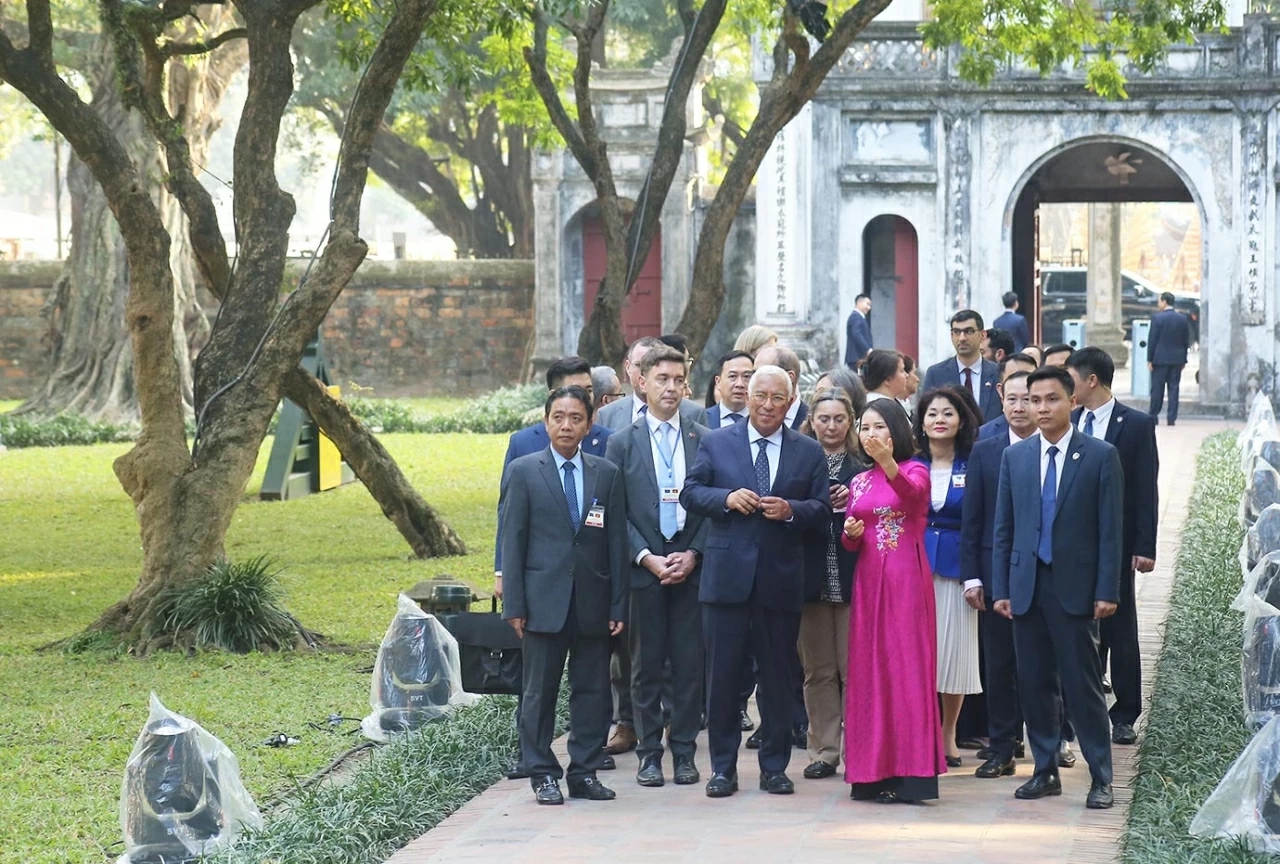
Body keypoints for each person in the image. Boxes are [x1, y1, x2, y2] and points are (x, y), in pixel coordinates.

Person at [681, 365, 829, 798]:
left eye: (777, 398)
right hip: (726, 580)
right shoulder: (716, 442)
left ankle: (774, 767)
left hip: (781, 581)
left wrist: (793, 511)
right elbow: (691, 493)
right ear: (746, 397)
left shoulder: (807, 450)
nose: (767, 405)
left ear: (789, 401)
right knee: (723, 679)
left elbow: (822, 510)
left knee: (779, 679)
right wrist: (725, 498)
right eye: (759, 395)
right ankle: (722, 769)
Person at [992, 366, 1122, 810]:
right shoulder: (1017, 457)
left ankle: (1101, 776)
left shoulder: (1101, 456)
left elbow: (1111, 532)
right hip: (1027, 586)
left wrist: (1107, 590)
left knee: (1082, 686)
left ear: (1072, 401)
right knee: (1034, 683)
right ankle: (1044, 769)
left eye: (1052, 399)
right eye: (1034, 400)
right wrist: (1002, 588)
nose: (1041, 408)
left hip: (1076, 590)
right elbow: (1004, 528)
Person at [501, 385, 629, 805]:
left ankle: (584, 771)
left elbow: (616, 544)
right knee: (539, 691)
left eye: (576, 418)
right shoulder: (524, 470)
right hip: (542, 602)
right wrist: (514, 605)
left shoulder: (605, 473)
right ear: (546, 421)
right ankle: (541, 772)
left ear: (589, 424)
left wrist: (617, 604)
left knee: (592, 690)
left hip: (593, 602)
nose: (566, 425)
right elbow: (512, 541)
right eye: (559, 417)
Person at [595, 337, 706, 755]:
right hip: (644, 568)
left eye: (679, 379)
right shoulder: (622, 441)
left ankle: (683, 752)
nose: (671, 388)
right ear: (642, 382)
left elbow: (712, 506)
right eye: (662, 379)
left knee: (688, 666)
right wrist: (646, 557)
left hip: (689, 566)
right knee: (642, 667)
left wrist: (693, 554)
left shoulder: (703, 437)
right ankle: (649, 754)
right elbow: (613, 512)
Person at [841, 399, 946, 803]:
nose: (871, 435)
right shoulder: (859, 481)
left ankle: (911, 774)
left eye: (879, 427)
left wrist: (888, 463)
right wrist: (850, 532)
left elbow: (914, 497)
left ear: (897, 431)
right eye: (865, 428)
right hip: (869, 584)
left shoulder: (916, 469)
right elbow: (852, 541)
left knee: (906, 669)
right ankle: (871, 772)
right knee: (870, 671)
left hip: (905, 581)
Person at [1066, 347, 1159, 747]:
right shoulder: (1068, 422)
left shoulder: (1136, 424)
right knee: (1079, 626)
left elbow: (1145, 489)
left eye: (1069, 379)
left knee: (1120, 629)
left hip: (1116, 543)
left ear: (1090, 381)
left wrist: (1145, 545)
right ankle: (1078, 711)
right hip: (1072, 542)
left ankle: (1124, 714)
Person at [961, 371, 1036, 779]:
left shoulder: (1054, 450)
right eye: (1013, 399)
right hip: (996, 578)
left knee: (1043, 668)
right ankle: (1002, 747)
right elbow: (972, 520)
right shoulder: (985, 451)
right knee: (999, 666)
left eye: (1029, 399)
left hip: (1045, 577)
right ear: (1001, 401)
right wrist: (972, 577)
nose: (1021, 407)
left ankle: (1047, 746)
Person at [797, 388, 868, 780]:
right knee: (818, 670)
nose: (831, 426)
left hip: (853, 577)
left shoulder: (863, 465)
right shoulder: (800, 460)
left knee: (853, 670)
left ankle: (858, 747)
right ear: (812, 420)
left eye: (839, 418)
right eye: (823, 418)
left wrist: (849, 505)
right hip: (810, 578)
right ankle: (824, 750)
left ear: (851, 421)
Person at [912, 387, 983, 768]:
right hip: (915, 567)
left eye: (948, 414)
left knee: (954, 654)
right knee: (919, 654)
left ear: (961, 421)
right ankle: (920, 731)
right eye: (932, 413)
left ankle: (948, 732)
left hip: (959, 571)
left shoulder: (974, 463)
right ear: (921, 422)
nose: (939, 420)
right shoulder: (909, 464)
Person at [921, 310, 1001, 422]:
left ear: (982, 335)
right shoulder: (936, 374)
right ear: (951, 335)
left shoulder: (999, 373)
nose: (962, 338)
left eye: (969, 331)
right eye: (957, 332)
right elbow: (925, 415)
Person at [1147, 291, 1192, 426]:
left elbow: (1152, 340)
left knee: (1157, 389)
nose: (1158, 304)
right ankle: (1171, 418)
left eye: (1159, 301)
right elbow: (1186, 340)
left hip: (1159, 360)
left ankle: (1153, 416)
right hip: (1177, 359)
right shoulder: (1182, 318)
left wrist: (1149, 359)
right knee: (1174, 389)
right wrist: (1184, 359)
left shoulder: (1157, 318)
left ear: (1164, 302)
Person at [978, 353, 1039, 441]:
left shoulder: (1055, 432)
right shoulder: (983, 437)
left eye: (1027, 378)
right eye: (1014, 377)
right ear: (1000, 390)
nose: (1021, 382)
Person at [755, 345, 809, 431]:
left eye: (764, 373)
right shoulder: (747, 418)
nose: (754, 378)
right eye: (754, 373)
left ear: (789, 377)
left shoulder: (813, 422)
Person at [706, 350, 754, 429]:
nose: (740, 384)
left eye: (746, 376)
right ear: (718, 382)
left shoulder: (763, 420)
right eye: (732, 376)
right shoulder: (701, 419)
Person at [845, 294, 874, 368]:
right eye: (867, 304)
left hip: (860, 358)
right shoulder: (855, 317)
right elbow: (857, 334)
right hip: (857, 358)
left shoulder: (860, 317)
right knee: (857, 379)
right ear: (859, 302)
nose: (869, 308)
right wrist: (867, 349)